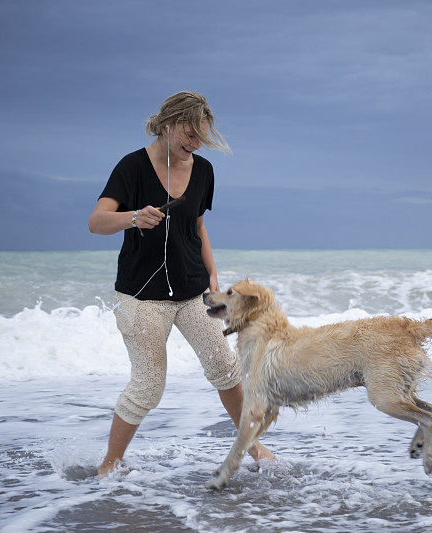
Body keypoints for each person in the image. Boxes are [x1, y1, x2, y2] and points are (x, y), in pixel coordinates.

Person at [88, 90, 274, 476]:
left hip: (193, 292)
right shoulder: (132, 167)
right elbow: (96, 222)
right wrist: (133, 217)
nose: (195, 144)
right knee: (148, 386)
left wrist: (213, 278)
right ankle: (110, 464)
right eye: (189, 135)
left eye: (201, 137)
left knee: (225, 369)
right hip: (141, 297)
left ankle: (254, 448)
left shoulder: (203, 170)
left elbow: (199, 227)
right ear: (168, 124)